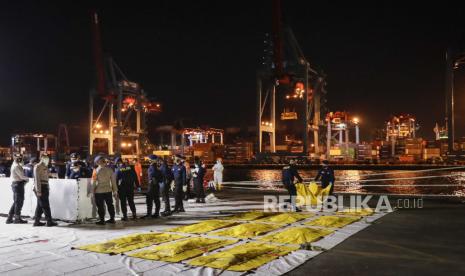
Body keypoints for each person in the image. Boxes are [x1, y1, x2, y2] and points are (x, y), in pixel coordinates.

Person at [33, 153, 58, 227]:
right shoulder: (37, 166)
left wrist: (53, 175)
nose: (47, 159)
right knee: (45, 205)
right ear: (41, 158)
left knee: (40, 206)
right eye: (45, 157)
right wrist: (38, 190)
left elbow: (47, 176)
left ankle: (36, 221)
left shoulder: (45, 166)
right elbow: (37, 180)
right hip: (41, 187)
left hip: (45, 186)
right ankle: (49, 221)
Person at [92, 155, 118, 225]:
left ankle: (102, 220)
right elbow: (113, 181)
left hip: (99, 191)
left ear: (97, 162)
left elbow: (93, 182)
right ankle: (112, 219)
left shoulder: (95, 171)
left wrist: (92, 191)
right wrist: (115, 190)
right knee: (110, 205)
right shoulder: (110, 170)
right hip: (108, 190)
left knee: (100, 206)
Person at [6, 153, 29, 224]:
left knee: (16, 202)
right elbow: (22, 176)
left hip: (17, 185)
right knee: (18, 202)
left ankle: (10, 218)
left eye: (21, 157)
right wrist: (27, 179)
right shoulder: (16, 166)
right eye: (18, 157)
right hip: (18, 185)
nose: (20, 158)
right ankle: (17, 219)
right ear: (14, 157)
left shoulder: (16, 165)